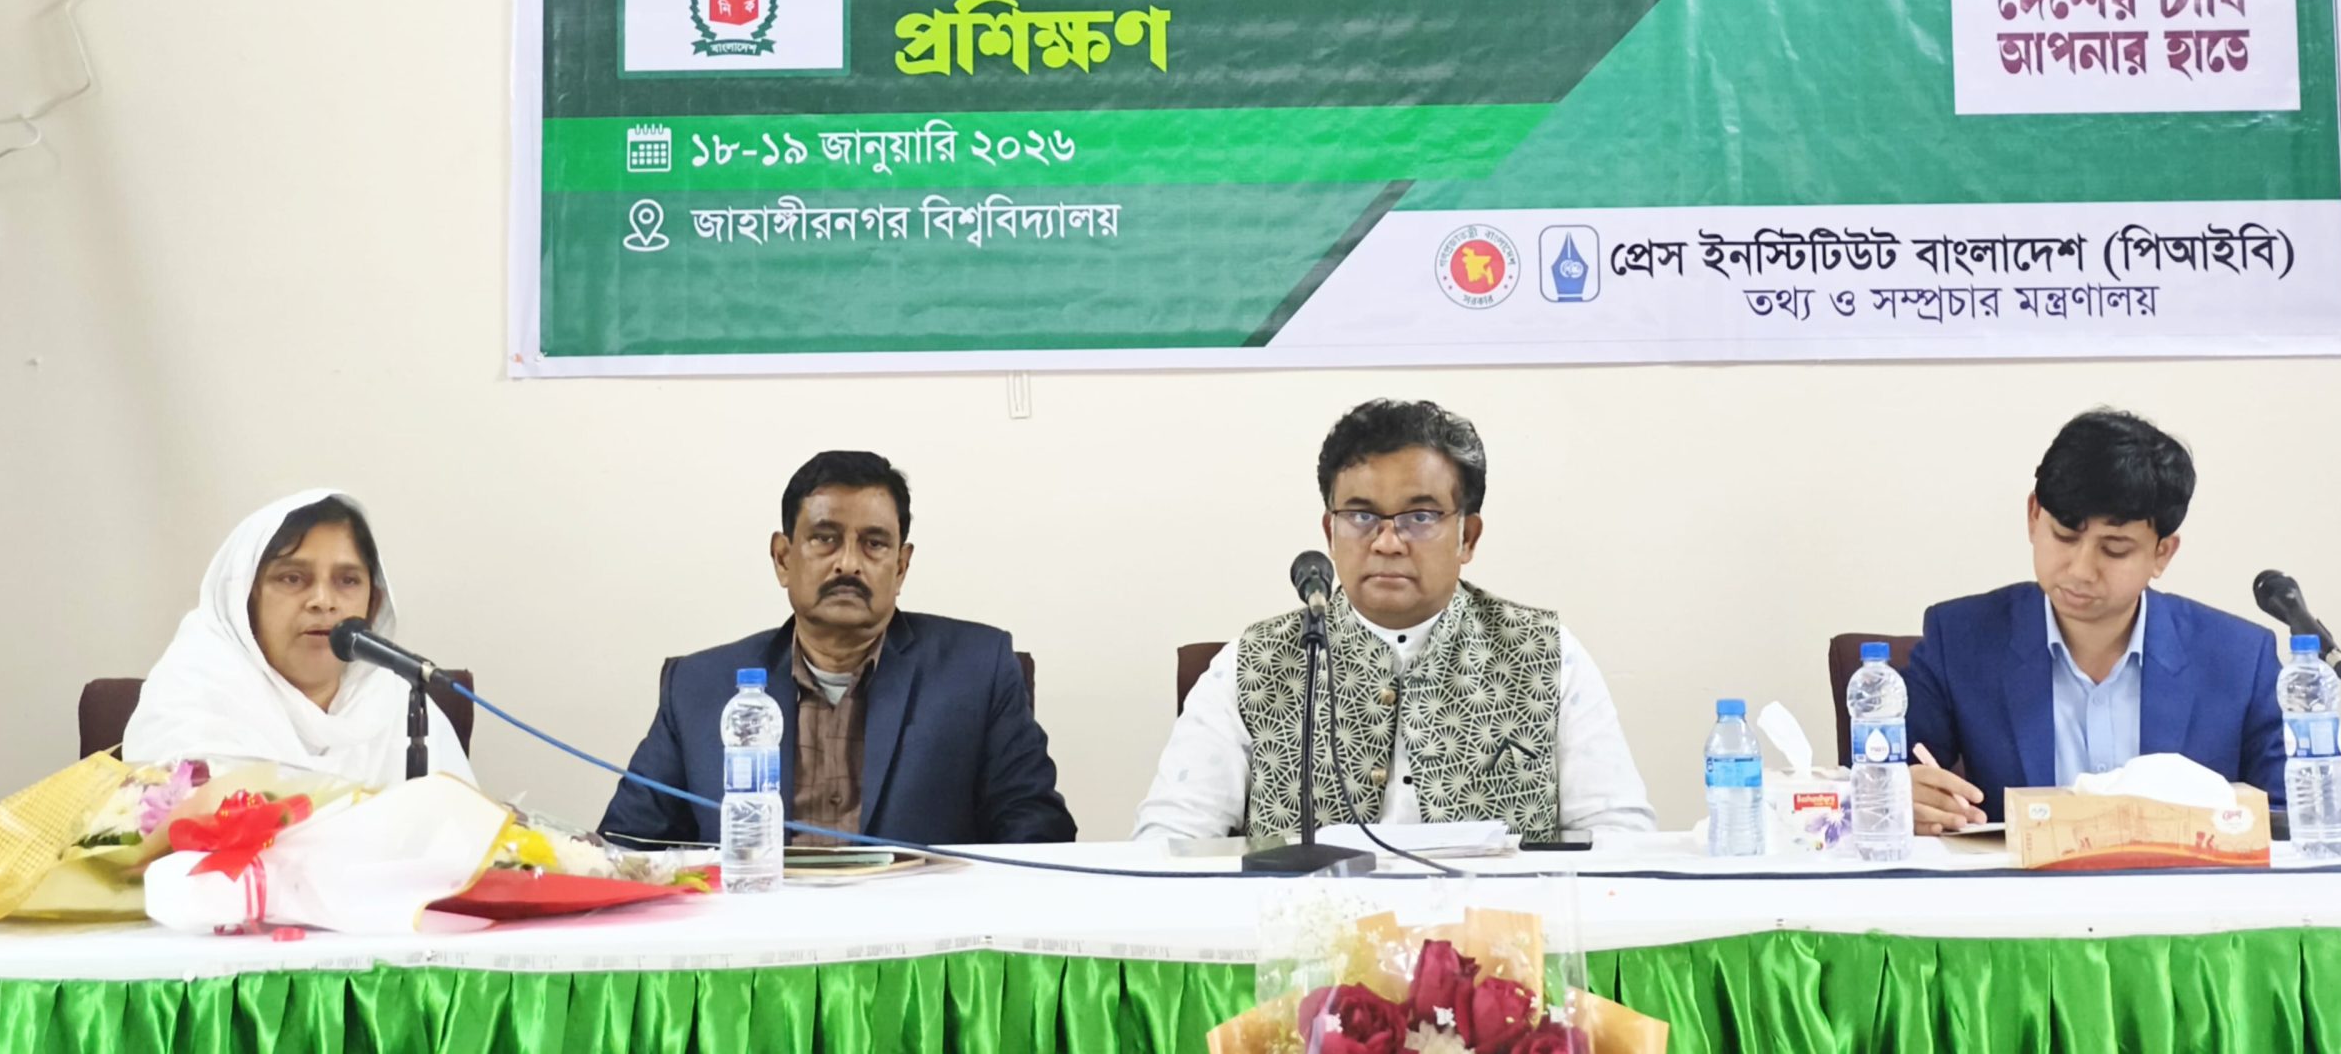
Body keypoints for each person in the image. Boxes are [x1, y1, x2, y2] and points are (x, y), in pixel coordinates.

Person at [1133, 399, 1653, 842]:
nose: (1386, 542)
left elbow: (1618, 837)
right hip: (1307, 928)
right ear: (1330, 532)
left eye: (1420, 517)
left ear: (1467, 537)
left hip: (1495, 928)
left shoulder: (1546, 655)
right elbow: (1169, 841)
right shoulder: (1252, 663)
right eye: (1361, 516)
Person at [602, 450, 1074, 847]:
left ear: (901, 567)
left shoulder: (977, 670)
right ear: (783, 558)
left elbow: (1037, 834)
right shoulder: (700, 687)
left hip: (916, 928)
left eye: (874, 544)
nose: (848, 564)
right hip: (757, 924)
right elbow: (627, 845)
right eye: (825, 539)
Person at [1902, 409, 2286, 832]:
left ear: (2162, 553)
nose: (2081, 570)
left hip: (2185, 876)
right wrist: (1901, 796)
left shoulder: (2240, 660)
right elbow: (1879, 781)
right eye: (2065, 536)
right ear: (2034, 516)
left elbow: (2290, 821)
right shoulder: (1959, 640)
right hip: (2018, 876)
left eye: (2114, 549)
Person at [125, 490, 474, 786]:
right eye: (292, 578)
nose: (322, 601)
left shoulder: (399, 704)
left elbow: (465, 832)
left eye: (347, 581)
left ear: (373, 604)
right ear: (246, 601)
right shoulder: (192, 697)